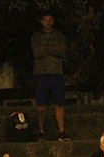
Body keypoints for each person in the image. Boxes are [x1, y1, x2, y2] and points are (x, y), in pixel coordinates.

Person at [31, 11, 68, 141]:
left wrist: (45, 49)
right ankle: (41, 131)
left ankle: (62, 131)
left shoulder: (59, 36)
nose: (47, 23)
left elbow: (61, 51)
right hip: (41, 73)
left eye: (50, 20)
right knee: (41, 104)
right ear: (41, 21)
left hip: (56, 72)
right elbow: (36, 52)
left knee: (59, 103)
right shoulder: (36, 36)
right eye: (45, 20)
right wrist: (52, 49)